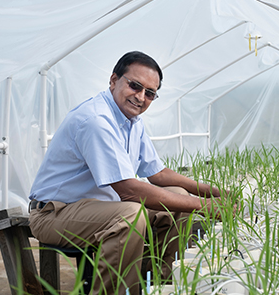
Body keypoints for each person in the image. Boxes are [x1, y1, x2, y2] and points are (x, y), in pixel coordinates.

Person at [28, 51, 223, 295]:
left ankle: (157, 285)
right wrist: (205, 206)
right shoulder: (96, 120)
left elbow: (158, 174)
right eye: (135, 86)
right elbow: (128, 190)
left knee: (177, 197)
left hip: (100, 207)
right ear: (113, 80)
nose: (141, 97)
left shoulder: (132, 121)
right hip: (55, 213)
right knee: (130, 216)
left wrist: (214, 193)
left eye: (150, 93)